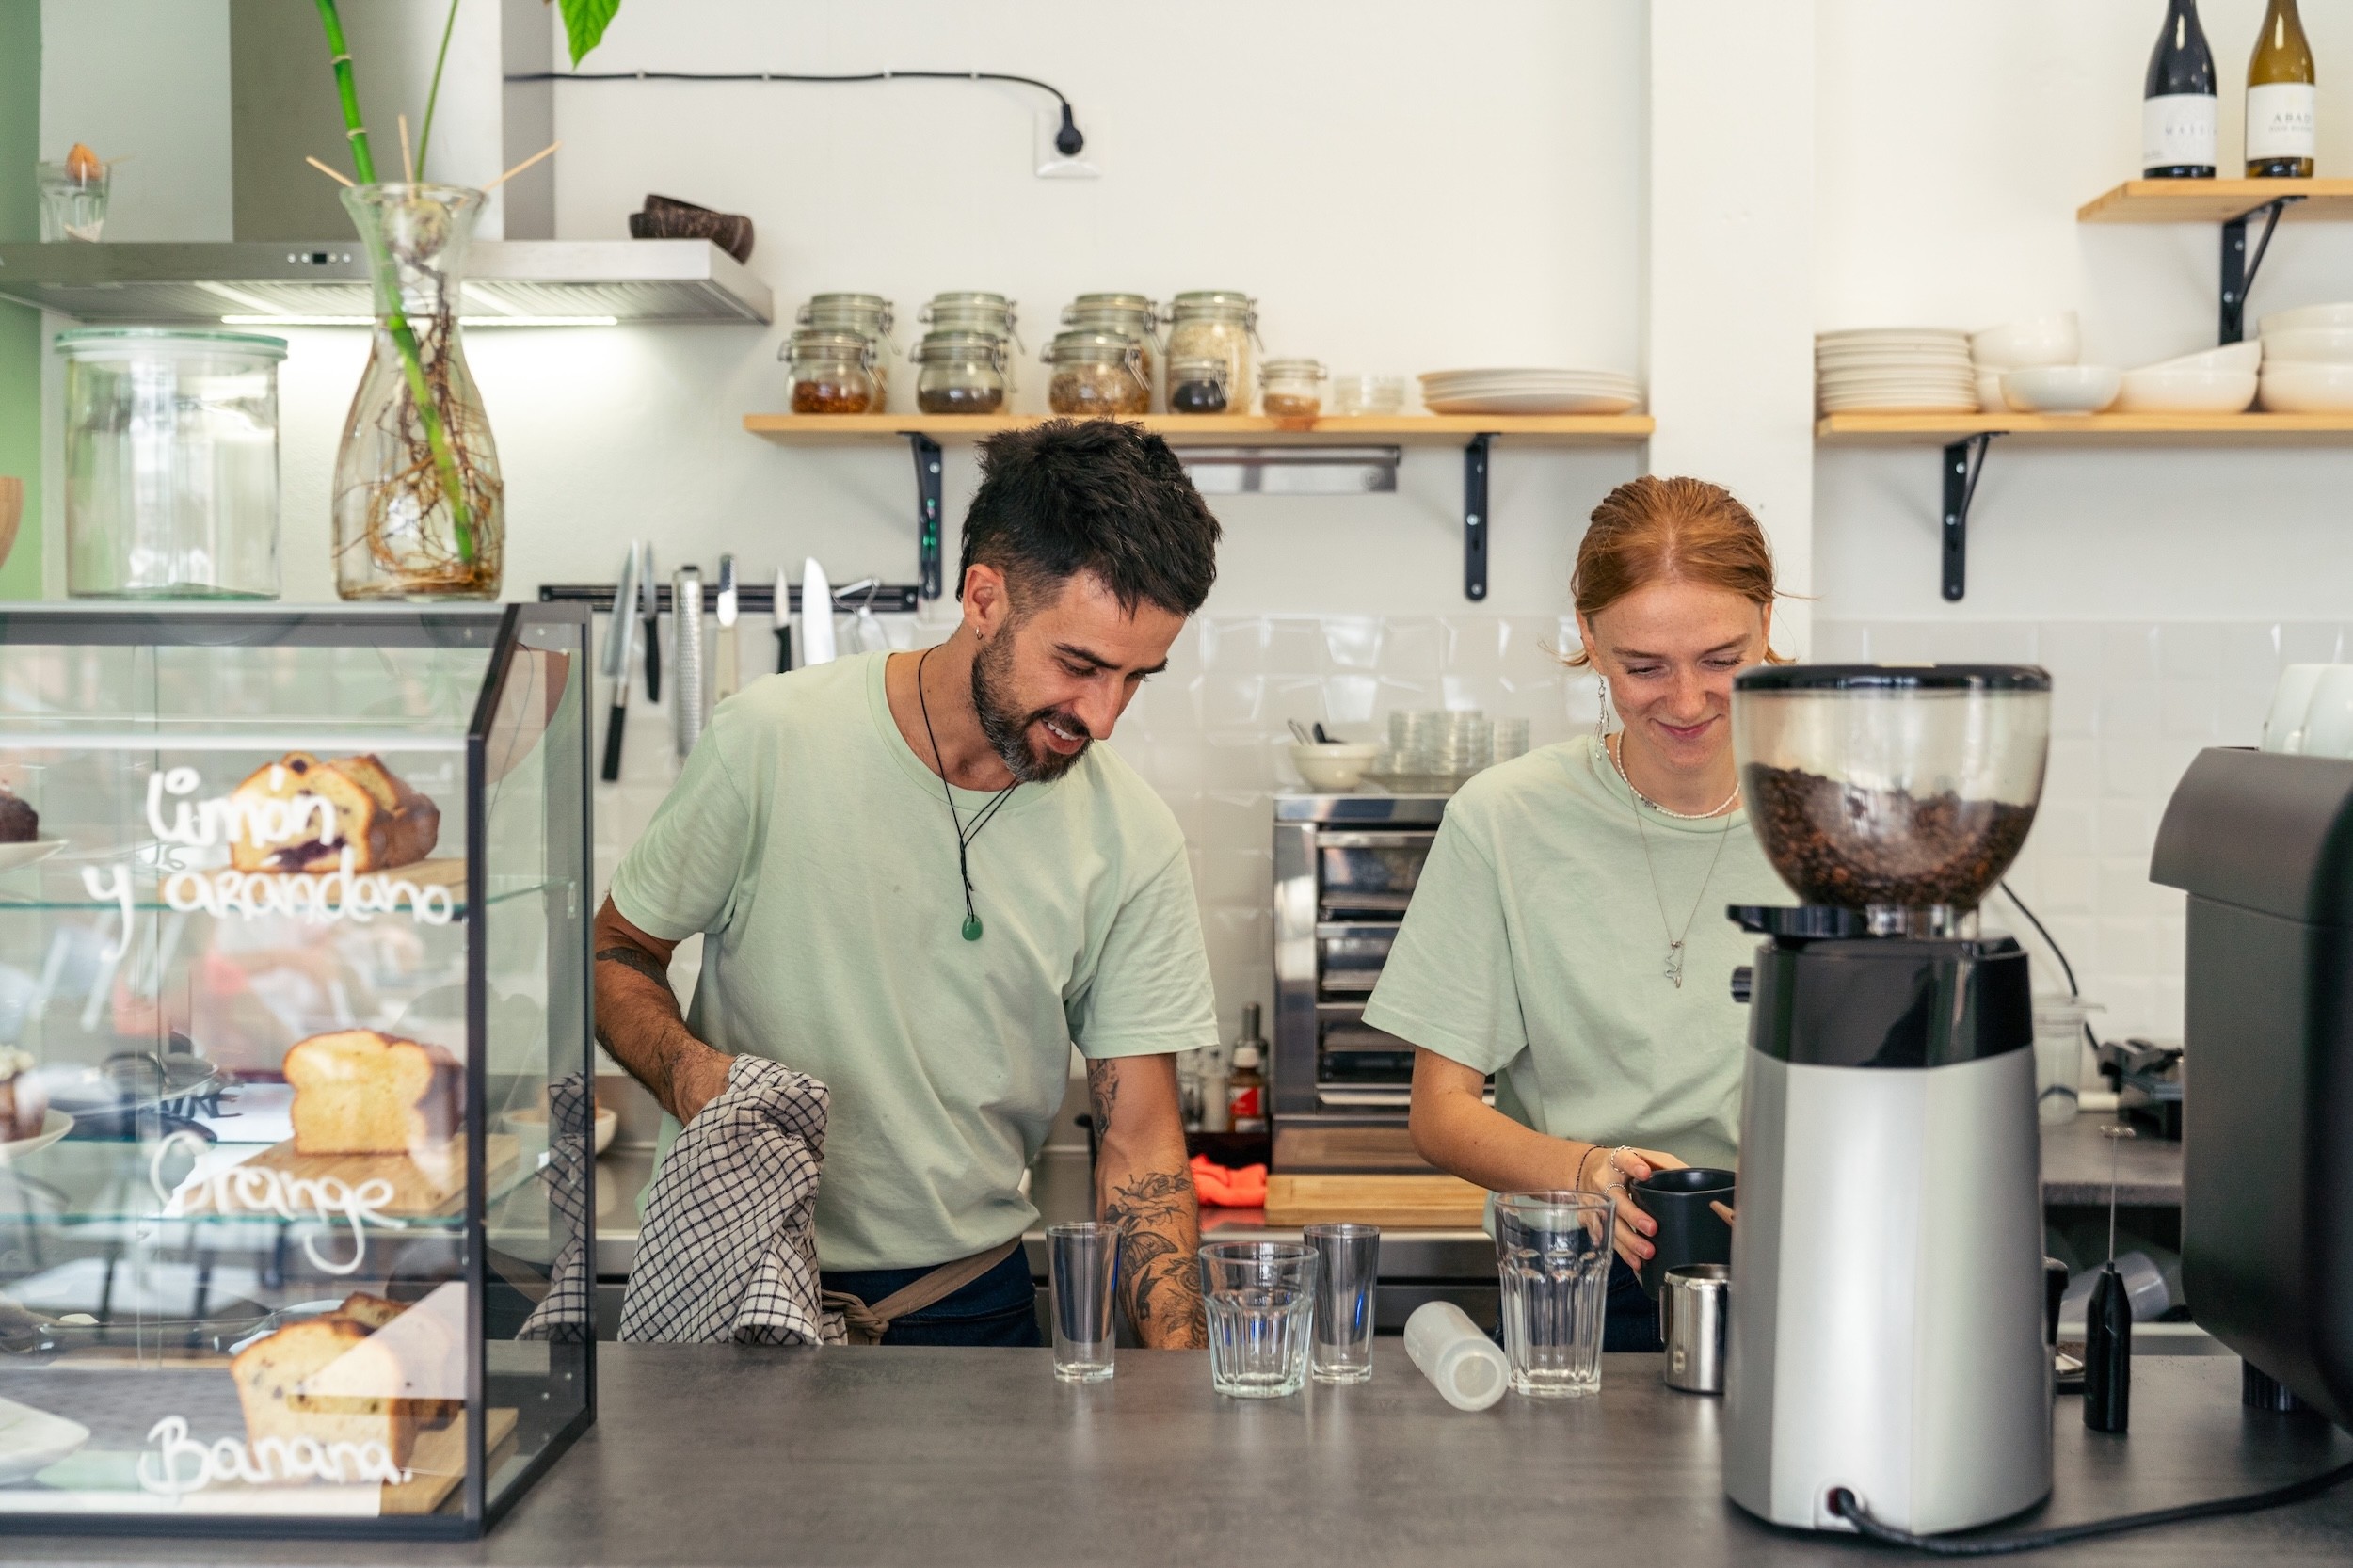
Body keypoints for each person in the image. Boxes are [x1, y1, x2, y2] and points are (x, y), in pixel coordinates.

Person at [594, 420, 1224, 1348]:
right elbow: (618, 951)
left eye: (1136, 679)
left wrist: (1182, 1378)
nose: (1103, 717)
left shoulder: (1130, 834)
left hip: (966, 1305)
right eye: (1080, 665)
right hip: (728, 1279)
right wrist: (686, 1070)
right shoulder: (768, 740)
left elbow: (1139, 1146)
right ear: (983, 597)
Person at [1361, 475, 1792, 1352]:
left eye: (1721, 659)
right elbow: (1441, 1112)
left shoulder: (1828, 817)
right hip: (1576, 1284)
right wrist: (1586, 1172)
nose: (1684, 700)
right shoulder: (1505, 819)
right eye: (1644, 667)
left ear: (1767, 623)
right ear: (1590, 640)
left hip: (1799, 1275)